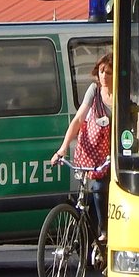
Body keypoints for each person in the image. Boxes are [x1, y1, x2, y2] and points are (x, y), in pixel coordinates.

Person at [50, 53, 113, 245]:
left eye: (109, 72)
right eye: (101, 71)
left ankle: (104, 231)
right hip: (89, 153)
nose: (104, 76)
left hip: (109, 154)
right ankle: (88, 240)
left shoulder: (121, 95)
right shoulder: (94, 90)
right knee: (86, 197)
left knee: (100, 188)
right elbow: (78, 120)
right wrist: (62, 149)